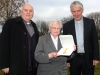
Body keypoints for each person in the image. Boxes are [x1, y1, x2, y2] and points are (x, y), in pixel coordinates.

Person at [0, 4, 39, 75]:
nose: (28, 12)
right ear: (21, 12)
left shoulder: (34, 26)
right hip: (15, 67)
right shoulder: (10, 23)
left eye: (30, 11)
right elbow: (3, 44)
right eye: (26, 10)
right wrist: (4, 64)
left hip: (32, 67)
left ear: (33, 14)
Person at [63, 1, 99, 75]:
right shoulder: (66, 26)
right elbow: (65, 44)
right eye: (74, 11)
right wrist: (67, 60)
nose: (76, 14)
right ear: (71, 12)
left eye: (78, 11)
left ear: (82, 10)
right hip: (73, 59)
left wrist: (96, 57)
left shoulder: (90, 22)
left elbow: (95, 41)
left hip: (88, 58)